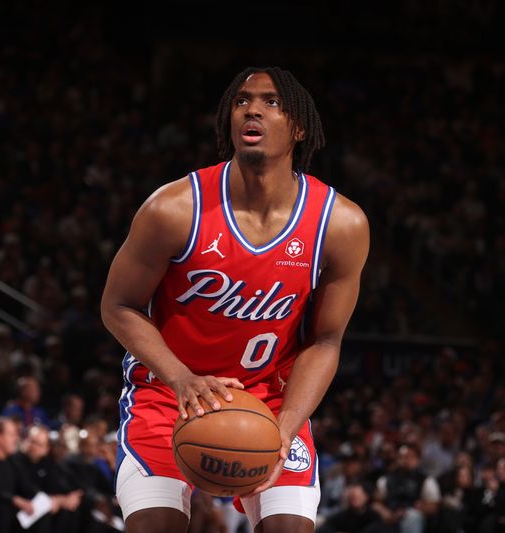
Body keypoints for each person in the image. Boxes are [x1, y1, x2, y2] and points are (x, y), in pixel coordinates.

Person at [101, 66, 369, 533]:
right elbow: (117, 306)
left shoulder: (340, 224)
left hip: (270, 400)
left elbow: (325, 340)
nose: (252, 110)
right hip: (169, 396)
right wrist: (182, 379)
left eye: (271, 102)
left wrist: (284, 428)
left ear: (299, 127)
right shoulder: (174, 208)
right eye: (243, 101)